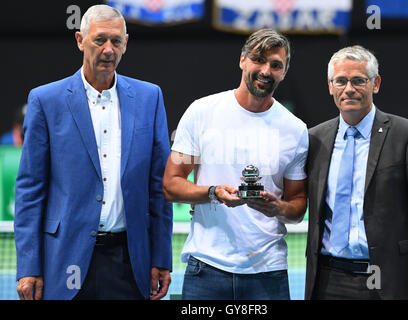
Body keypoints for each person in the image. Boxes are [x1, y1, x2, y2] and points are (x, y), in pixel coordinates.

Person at [14, 4, 172, 300]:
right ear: (79, 40)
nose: (109, 49)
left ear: (126, 44)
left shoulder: (150, 97)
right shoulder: (45, 100)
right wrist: (28, 267)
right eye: (100, 40)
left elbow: (158, 187)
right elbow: (30, 190)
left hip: (130, 262)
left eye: (117, 41)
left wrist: (161, 258)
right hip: (64, 259)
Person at [163, 28, 308, 300]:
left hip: (268, 272)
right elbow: (171, 185)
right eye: (258, 60)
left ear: (284, 72)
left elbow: (298, 206)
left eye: (275, 65)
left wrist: (278, 207)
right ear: (242, 60)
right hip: (207, 268)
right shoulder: (201, 113)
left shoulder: (295, 130)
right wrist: (212, 192)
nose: (266, 70)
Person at [305, 45, 408, 300]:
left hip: (389, 280)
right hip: (327, 281)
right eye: (341, 81)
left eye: (359, 80)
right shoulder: (315, 138)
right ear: (330, 86)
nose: (349, 89)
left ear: (375, 83)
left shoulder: (407, 135)